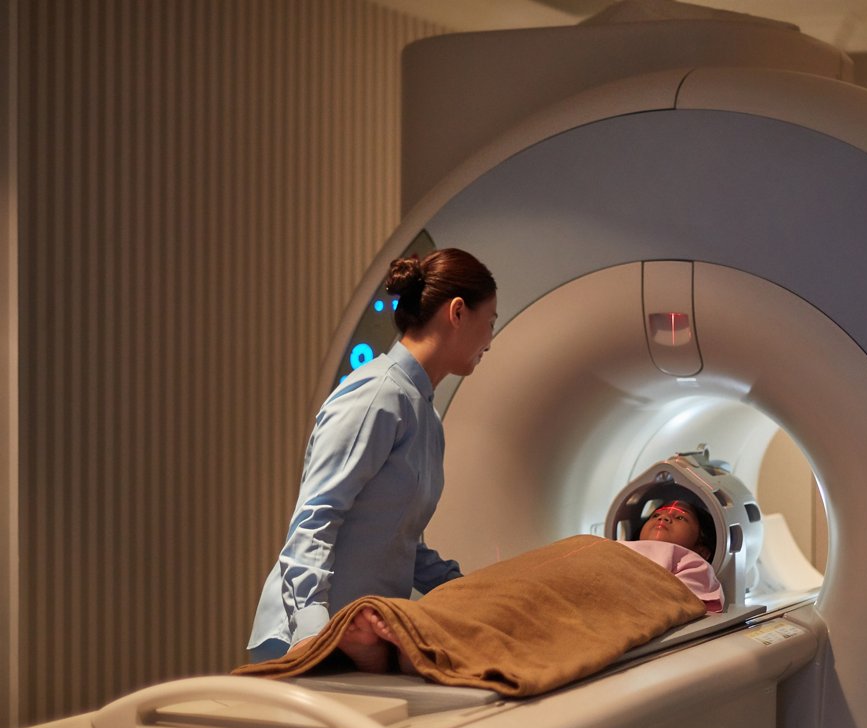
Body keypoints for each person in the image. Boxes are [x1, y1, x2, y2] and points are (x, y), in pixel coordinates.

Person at [246, 248, 498, 663]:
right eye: (489, 322)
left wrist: (464, 589)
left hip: (360, 639)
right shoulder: (378, 396)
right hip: (312, 637)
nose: (489, 339)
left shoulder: (425, 414)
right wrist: (313, 632)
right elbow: (315, 518)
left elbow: (399, 541)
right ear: (457, 313)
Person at [334, 497, 725, 674]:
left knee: (523, 610)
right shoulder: (608, 545)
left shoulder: (690, 565)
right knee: (496, 587)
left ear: (703, 547)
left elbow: (683, 604)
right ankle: (410, 633)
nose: (665, 516)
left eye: (679, 516)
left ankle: (410, 648)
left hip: (608, 584)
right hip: (578, 563)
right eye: (659, 511)